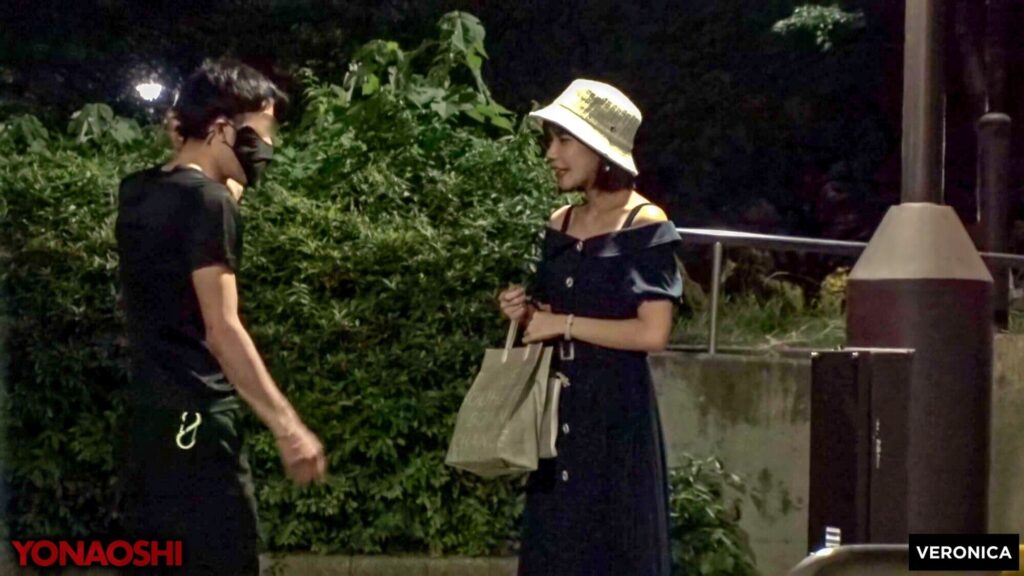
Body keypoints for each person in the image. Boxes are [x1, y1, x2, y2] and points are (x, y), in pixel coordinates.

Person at [115, 58, 326, 575]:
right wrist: (288, 426)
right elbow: (222, 329)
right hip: (200, 422)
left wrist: (199, 149)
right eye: (261, 130)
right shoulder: (209, 205)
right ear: (221, 128)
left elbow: (200, 197)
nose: (267, 146)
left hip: (147, 420)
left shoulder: (137, 190)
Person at [498, 79, 682, 575]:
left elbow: (652, 334)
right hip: (558, 415)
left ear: (601, 149)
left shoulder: (645, 223)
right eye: (550, 141)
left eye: (564, 140)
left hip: (616, 417)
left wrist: (563, 323)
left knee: (614, 549)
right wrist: (524, 311)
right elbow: (547, 316)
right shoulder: (559, 222)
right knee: (555, 547)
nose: (551, 155)